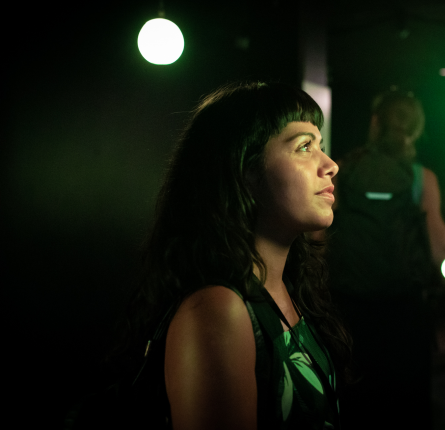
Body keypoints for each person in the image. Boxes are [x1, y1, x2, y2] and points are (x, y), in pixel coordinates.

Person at [119, 82, 353, 429]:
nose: (330, 164)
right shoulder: (218, 310)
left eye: (321, 145)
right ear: (246, 170)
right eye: (304, 146)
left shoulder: (285, 288)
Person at [326, 90, 445, 429]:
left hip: (348, 307)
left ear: (374, 122)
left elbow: (317, 236)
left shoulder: (344, 170)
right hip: (404, 310)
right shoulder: (420, 178)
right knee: (403, 402)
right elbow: (439, 243)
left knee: (355, 399)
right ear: (415, 129)